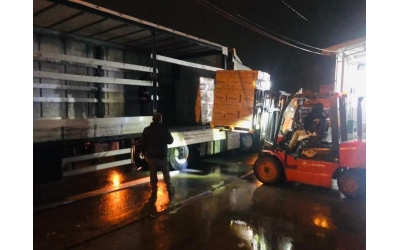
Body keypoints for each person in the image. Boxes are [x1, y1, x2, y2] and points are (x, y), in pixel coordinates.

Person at [141, 112, 175, 197]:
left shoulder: (147, 130)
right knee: (166, 174)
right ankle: (169, 189)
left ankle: (154, 191)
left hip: (151, 156)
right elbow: (170, 141)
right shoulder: (164, 129)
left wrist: (144, 152)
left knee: (153, 174)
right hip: (162, 156)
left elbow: (143, 143)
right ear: (160, 119)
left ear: (152, 119)